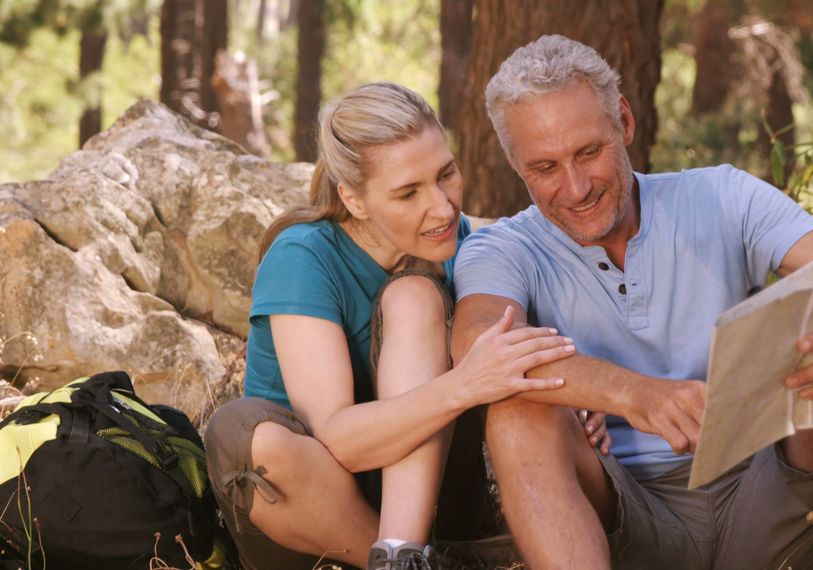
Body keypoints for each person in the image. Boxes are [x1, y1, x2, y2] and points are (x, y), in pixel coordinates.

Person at [450, 35, 813, 569]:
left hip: (770, 499)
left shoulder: (721, 196)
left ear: (625, 123)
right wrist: (635, 394)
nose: (576, 186)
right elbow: (477, 343)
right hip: (628, 521)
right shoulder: (502, 249)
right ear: (516, 165)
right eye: (545, 168)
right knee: (517, 410)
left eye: (590, 152)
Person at [203, 82, 589, 570]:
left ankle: (403, 554)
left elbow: (522, 357)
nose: (443, 208)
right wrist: (465, 384)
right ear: (354, 199)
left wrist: (571, 407)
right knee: (245, 437)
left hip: (432, 511)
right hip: (312, 516)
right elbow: (340, 440)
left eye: (446, 174)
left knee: (414, 293)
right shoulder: (304, 255)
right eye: (408, 193)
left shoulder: (464, 245)